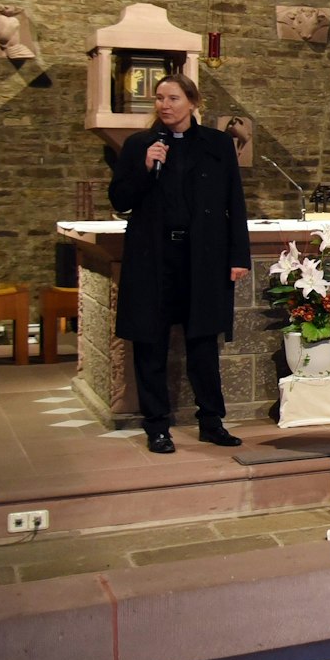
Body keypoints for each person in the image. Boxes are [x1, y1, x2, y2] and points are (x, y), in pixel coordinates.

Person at [109, 75, 251, 454]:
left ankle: (211, 421)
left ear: (192, 101)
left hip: (202, 256)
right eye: (159, 98)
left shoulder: (218, 144)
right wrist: (144, 166)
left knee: (203, 341)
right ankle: (157, 425)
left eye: (172, 98)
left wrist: (238, 256)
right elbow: (120, 198)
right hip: (153, 257)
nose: (164, 105)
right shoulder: (139, 145)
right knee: (150, 341)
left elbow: (233, 203)